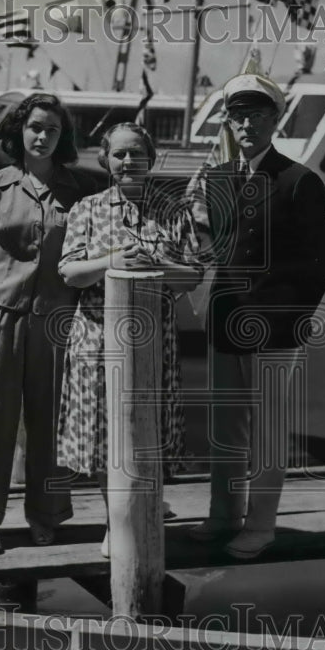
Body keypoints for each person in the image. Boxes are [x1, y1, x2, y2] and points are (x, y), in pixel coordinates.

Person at [186, 73, 325, 558]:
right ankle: (223, 514)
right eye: (238, 115)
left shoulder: (300, 180)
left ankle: (261, 524)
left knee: (268, 431)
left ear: (276, 119)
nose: (246, 124)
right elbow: (209, 250)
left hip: (276, 329)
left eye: (256, 114)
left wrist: (289, 321)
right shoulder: (216, 179)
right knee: (226, 426)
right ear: (229, 122)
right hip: (225, 320)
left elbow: (319, 264)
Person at [57, 122, 203, 557]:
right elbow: (69, 272)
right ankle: (114, 521)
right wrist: (114, 260)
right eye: (119, 154)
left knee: (148, 430)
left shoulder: (173, 212)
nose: (127, 162)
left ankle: (148, 509)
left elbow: (192, 275)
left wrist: (156, 262)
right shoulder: (86, 208)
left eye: (136, 153)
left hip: (153, 344)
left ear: (150, 158)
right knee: (106, 436)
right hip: (98, 341)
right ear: (105, 160)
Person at [0, 93, 88, 554]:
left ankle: (45, 514)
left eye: (52, 129)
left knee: (49, 420)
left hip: (58, 322)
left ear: (62, 137)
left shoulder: (78, 191)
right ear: (20, 131)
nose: (42, 136)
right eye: (35, 126)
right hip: (0, 313)